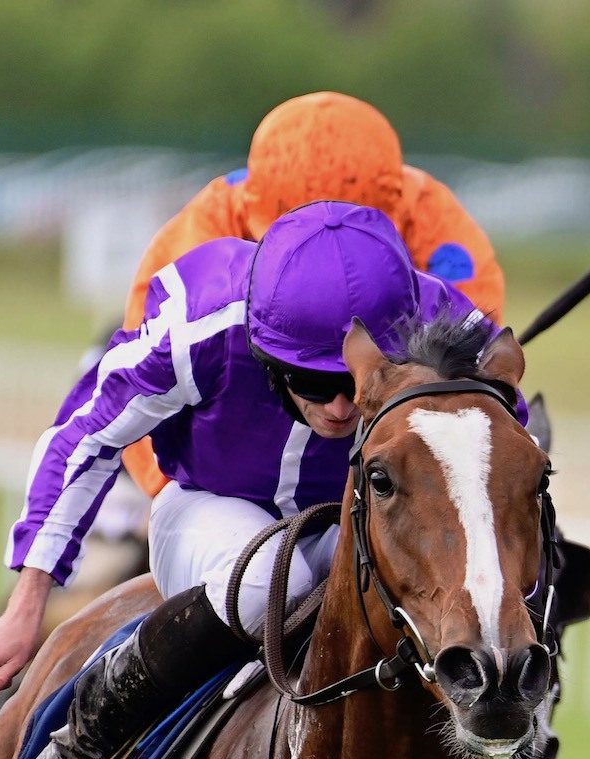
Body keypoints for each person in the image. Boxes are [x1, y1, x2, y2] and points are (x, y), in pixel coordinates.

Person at [0, 201, 551, 759]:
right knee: (270, 582)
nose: (337, 408)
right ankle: (87, 733)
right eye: (311, 382)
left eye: (349, 386)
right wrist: (28, 599)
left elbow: (500, 468)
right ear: (266, 348)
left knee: (432, 593)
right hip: (214, 507)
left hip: (362, 516)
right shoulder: (202, 323)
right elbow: (86, 436)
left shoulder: (453, 330)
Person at [118, 91, 504, 498]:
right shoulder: (206, 228)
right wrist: (180, 490)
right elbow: (146, 382)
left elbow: (459, 383)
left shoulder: (439, 230)